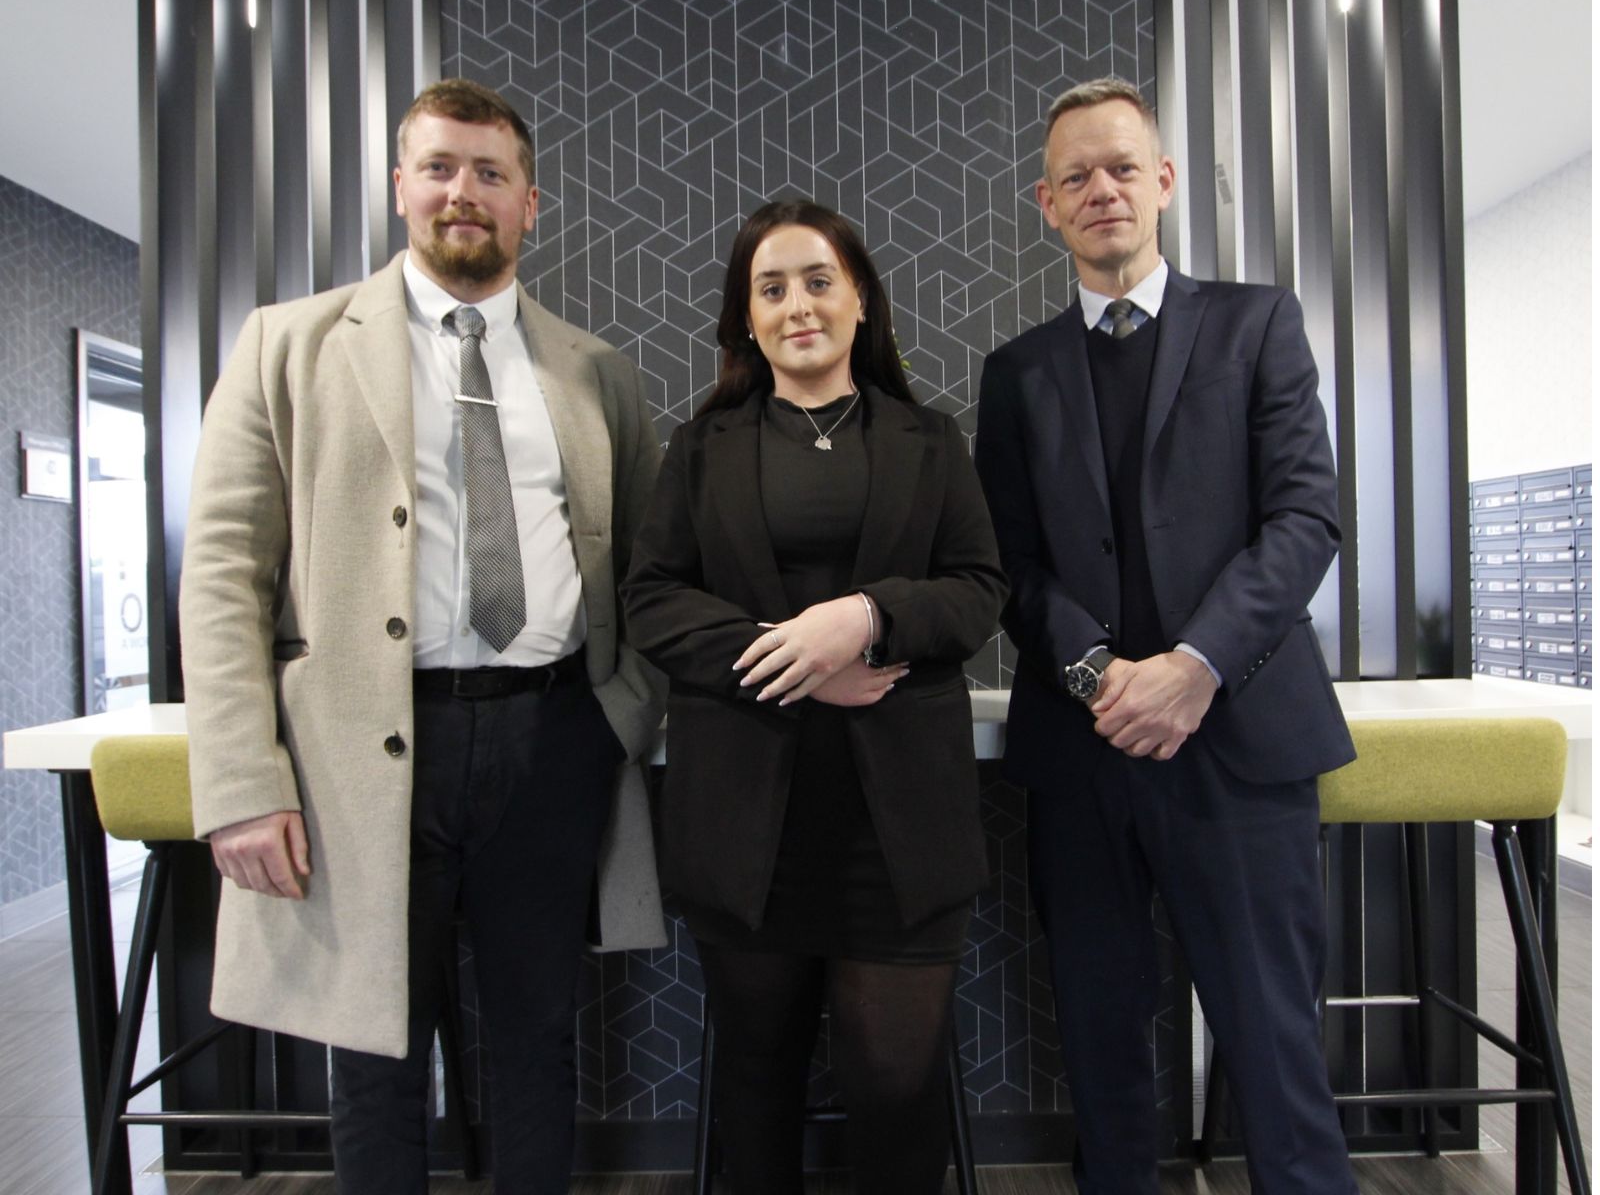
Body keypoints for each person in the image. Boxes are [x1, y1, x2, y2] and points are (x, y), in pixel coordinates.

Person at [179, 78, 667, 1194]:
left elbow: (652, 567)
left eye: (490, 173)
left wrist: (616, 719)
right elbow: (218, 578)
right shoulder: (286, 347)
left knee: (537, 1048)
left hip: (551, 742)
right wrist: (243, 781)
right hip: (358, 756)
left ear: (530, 203)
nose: (464, 192)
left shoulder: (598, 372)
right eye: (440, 167)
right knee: (376, 1057)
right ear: (400, 186)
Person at [973, 78, 1359, 1193]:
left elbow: (1304, 518)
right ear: (1046, 202)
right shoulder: (1015, 374)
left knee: (1275, 1049)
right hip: (1082, 750)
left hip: (1240, 742)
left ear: (1164, 184)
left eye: (1122, 168)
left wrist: (1192, 667)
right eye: (1077, 176)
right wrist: (1102, 676)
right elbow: (1011, 560)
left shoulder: (1259, 325)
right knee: (1100, 1049)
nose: (1103, 190)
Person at [620, 199, 1006, 1194]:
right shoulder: (700, 446)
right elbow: (651, 600)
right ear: (745, 319)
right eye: (772, 287)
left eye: (819, 281)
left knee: (895, 1087)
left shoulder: (931, 436)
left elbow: (977, 592)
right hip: (746, 823)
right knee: (757, 1090)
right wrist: (790, 656)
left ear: (861, 300)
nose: (799, 305)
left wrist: (867, 616)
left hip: (903, 828)